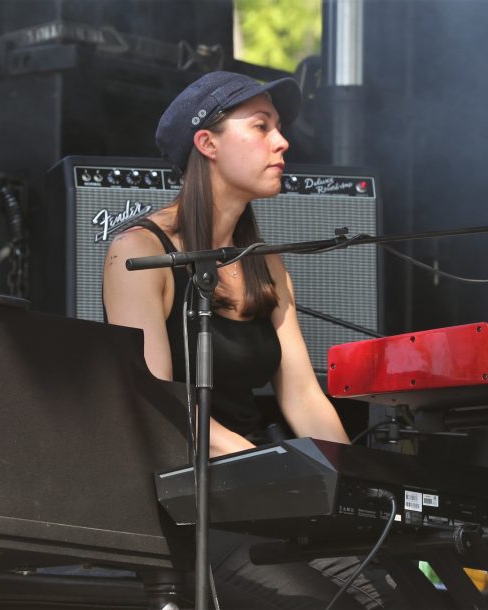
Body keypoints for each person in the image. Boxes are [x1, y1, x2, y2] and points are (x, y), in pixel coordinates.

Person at [103, 71, 399, 609]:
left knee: (401, 598)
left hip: (264, 492)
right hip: (189, 506)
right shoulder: (140, 252)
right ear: (207, 143)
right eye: (261, 126)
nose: (282, 142)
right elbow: (157, 402)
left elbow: (302, 395)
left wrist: (357, 487)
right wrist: (266, 464)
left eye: (279, 128)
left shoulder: (266, 263)